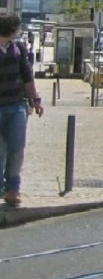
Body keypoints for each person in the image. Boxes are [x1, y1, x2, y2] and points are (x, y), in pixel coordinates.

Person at [0, 14, 43, 208]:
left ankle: (12, 190)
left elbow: (27, 75)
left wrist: (35, 100)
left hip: (16, 105)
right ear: (11, 30)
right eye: (17, 28)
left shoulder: (18, 48)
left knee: (17, 149)